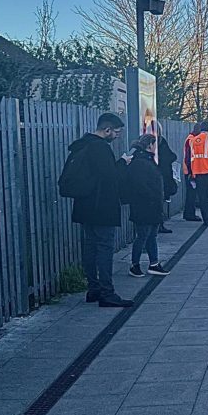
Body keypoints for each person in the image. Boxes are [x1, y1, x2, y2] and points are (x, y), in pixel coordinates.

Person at [62, 112, 133, 309]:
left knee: (90, 247)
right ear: (107, 129)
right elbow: (111, 177)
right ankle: (107, 293)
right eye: (116, 132)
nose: (117, 136)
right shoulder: (100, 148)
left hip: (85, 205)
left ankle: (93, 289)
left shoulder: (82, 145)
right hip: (101, 206)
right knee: (104, 249)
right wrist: (123, 163)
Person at [124, 135, 171, 278]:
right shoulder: (141, 162)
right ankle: (134, 265)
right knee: (143, 236)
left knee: (151, 236)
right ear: (150, 145)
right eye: (155, 144)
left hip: (152, 205)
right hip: (145, 206)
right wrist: (153, 197)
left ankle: (154, 264)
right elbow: (141, 185)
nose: (156, 148)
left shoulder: (145, 160)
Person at [156, 125, 178, 234]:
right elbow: (170, 156)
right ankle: (159, 224)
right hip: (162, 176)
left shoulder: (158, 142)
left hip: (159, 175)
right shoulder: (161, 142)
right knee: (160, 201)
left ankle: (158, 224)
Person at [182, 123, 201, 222]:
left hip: (190, 170)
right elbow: (189, 158)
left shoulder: (190, 138)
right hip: (190, 171)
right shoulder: (191, 140)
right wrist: (191, 172)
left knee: (191, 193)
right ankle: (190, 214)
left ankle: (188, 213)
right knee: (191, 194)